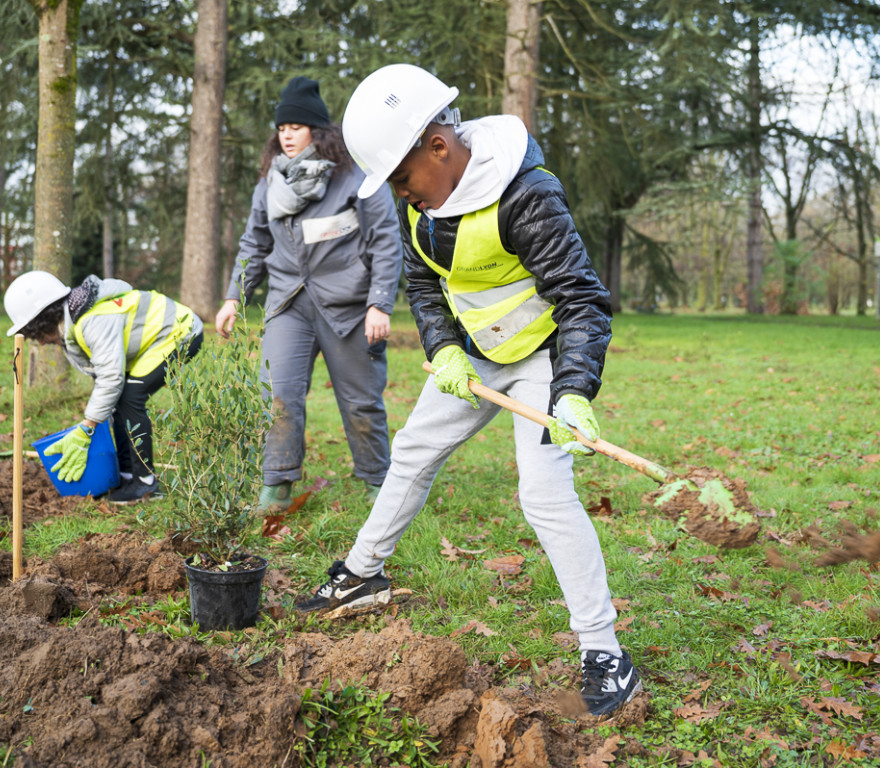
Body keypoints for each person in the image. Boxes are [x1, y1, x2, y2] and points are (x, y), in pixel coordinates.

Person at [295, 64, 641, 722]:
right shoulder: (422, 208)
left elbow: (582, 301)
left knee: (543, 494)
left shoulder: (525, 195)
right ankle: (365, 572)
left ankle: (605, 653)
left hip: (542, 359)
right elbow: (425, 286)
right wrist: (444, 347)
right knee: (415, 449)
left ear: (438, 147)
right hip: (477, 359)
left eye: (402, 178)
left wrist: (571, 391)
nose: (402, 195)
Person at [215, 76, 402, 512]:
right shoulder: (269, 185)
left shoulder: (356, 179)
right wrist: (233, 297)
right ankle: (277, 484)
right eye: (282, 128)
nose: (287, 134)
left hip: (350, 307)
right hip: (287, 305)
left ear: (318, 132)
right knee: (278, 394)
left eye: (296, 127)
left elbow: (386, 241)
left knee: (361, 402)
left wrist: (379, 303)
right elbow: (254, 244)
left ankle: (379, 482)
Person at [4, 270, 203, 503]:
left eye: (36, 333)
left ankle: (145, 484)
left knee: (131, 397)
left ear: (44, 319)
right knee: (119, 401)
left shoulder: (92, 320)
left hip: (179, 332)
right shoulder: (72, 323)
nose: (40, 341)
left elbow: (110, 378)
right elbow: (102, 373)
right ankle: (128, 473)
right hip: (152, 341)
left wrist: (88, 426)